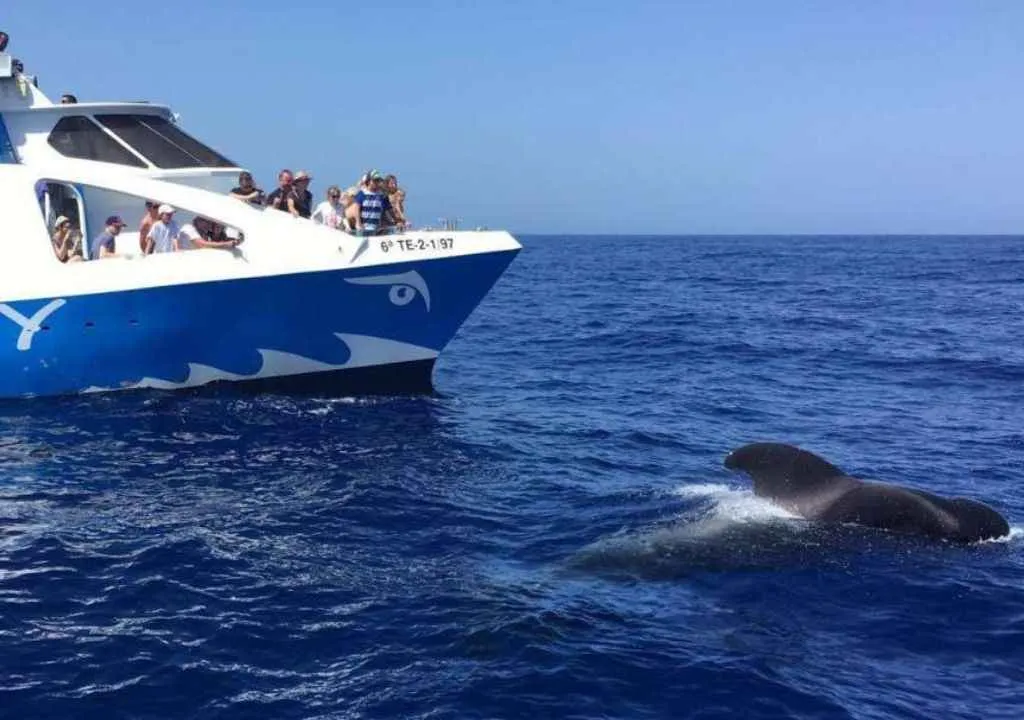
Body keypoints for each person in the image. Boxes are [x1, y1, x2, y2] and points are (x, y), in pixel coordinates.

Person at [354, 170, 399, 236]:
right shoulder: (362, 193)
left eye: (378, 180)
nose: (376, 182)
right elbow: (356, 208)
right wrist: (358, 223)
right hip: (363, 227)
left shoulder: (382, 195)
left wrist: (397, 221)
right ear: (369, 181)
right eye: (374, 180)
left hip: (376, 227)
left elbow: (389, 210)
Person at [177, 216, 242, 250]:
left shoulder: (206, 233)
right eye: (203, 221)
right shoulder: (188, 228)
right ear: (196, 222)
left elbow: (218, 239)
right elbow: (203, 244)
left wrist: (234, 241)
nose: (207, 224)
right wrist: (225, 244)